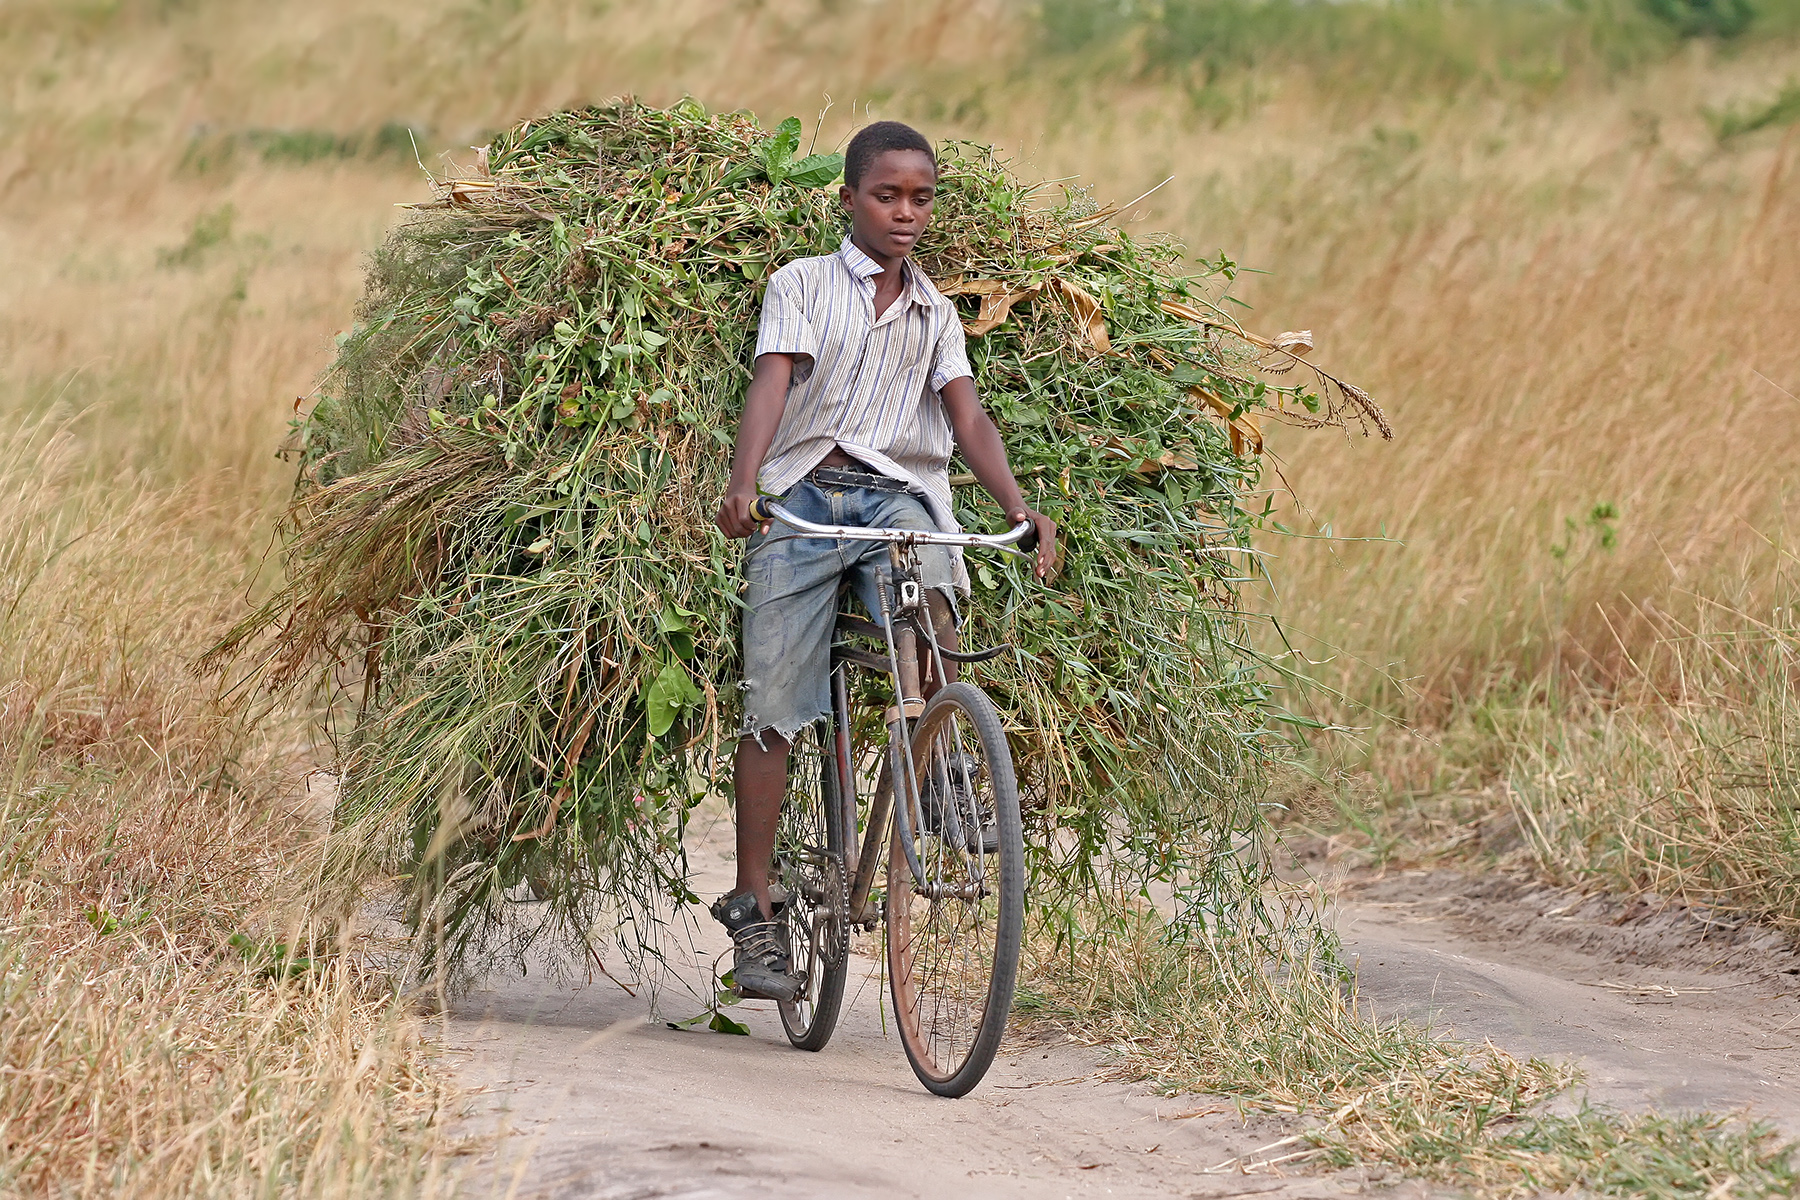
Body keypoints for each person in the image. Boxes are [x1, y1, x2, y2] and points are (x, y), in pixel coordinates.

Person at [712, 120, 1057, 1001]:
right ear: (850, 201)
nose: (906, 214)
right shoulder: (802, 284)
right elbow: (773, 383)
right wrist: (745, 486)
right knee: (774, 699)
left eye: (921, 198)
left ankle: (942, 765)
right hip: (804, 496)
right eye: (887, 196)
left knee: (931, 593)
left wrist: (1020, 508)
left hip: (895, 492)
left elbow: (967, 419)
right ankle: (756, 906)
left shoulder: (936, 312)